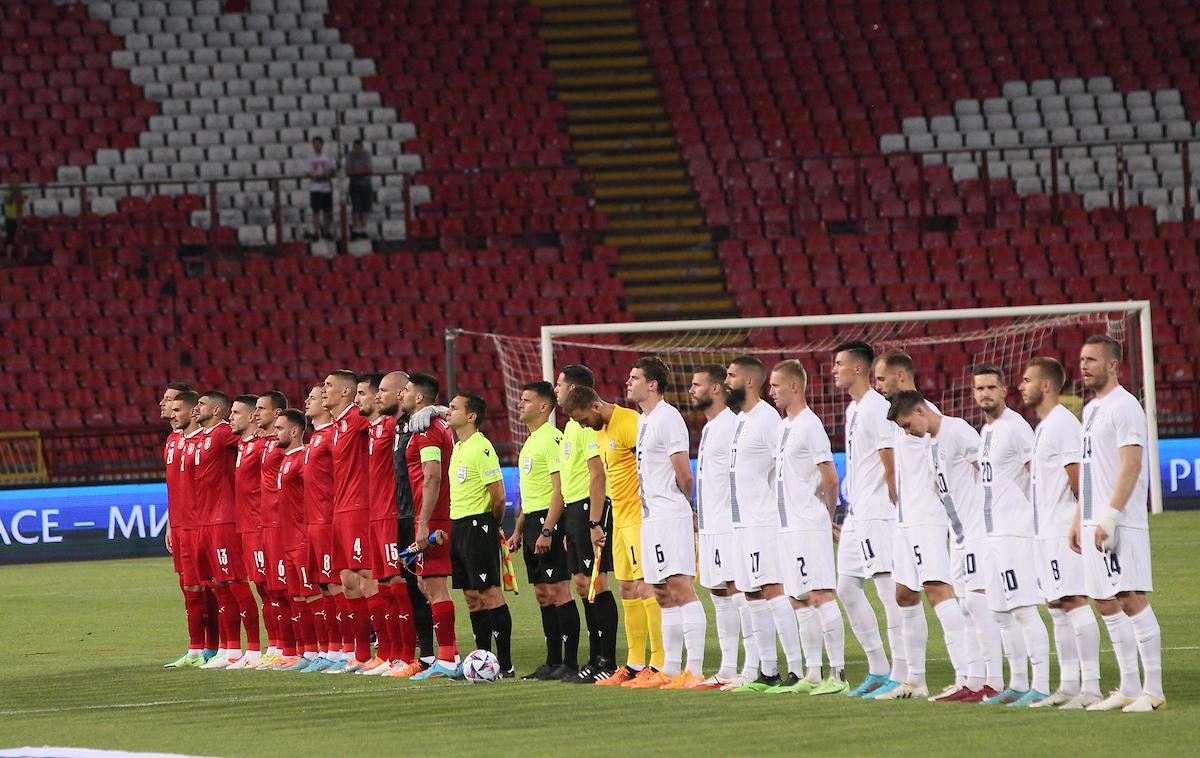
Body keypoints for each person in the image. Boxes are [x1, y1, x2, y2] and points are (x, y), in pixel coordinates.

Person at [873, 349, 976, 702]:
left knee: (938, 591)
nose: (879, 385)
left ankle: (967, 676)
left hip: (927, 519)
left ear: (901, 377)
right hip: (905, 520)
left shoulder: (926, 416)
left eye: (882, 378)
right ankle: (915, 680)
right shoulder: (899, 418)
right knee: (903, 594)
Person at [1071, 335, 1163, 712]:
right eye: (1082, 359)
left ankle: (1153, 690)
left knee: (1129, 597)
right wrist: (1080, 516)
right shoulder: (1091, 409)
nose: (1084, 366)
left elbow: (1132, 464)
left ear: (1113, 365)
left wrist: (1111, 515)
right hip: (1094, 519)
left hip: (1118, 520)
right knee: (1105, 601)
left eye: (1092, 359)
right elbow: (1090, 468)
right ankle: (1127, 687)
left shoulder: (1125, 406)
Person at [888, 390, 998, 703]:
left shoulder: (958, 430)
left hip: (976, 530)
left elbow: (987, 473)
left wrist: (994, 519)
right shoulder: (933, 444)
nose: (907, 432)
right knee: (967, 605)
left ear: (921, 411)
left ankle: (996, 681)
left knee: (981, 606)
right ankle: (973, 682)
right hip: (959, 535)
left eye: (908, 424)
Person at [562, 384, 664, 687]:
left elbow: (652, 467)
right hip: (618, 518)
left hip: (638, 518)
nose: (582, 426)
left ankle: (658, 663)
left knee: (646, 587)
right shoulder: (600, 431)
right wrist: (599, 522)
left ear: (594, 406)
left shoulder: (629, 422)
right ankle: (633, 664)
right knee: (628, 590)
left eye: (582, 420)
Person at [1019, 356, 1103, 709]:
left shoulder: (1063, 425)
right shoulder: (1044, 426)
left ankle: (1093, 687)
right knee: (1057, 606)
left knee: (1074, 601)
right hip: (1045, 531)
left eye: (1027, 380)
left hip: (1062, 528)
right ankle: (1069, 685)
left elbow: (1080, 479)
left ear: (1047, 385)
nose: (1021, 386)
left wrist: (1078, 522)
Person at [725, 355, 805, 693]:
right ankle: (767, 671)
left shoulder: (767, 419)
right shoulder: (742, 420)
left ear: (749, 381)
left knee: (773, 591)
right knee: (751, 594)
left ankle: (797, 671)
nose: (726, 381)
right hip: (742, 524)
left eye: (730, 376)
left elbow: (786, 467)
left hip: (763, 522)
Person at [972, 364, 1051, 707]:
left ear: (1005, 391)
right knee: (1000, 611)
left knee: (1022, 609)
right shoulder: (986, 431)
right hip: (992, 535)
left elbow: (1038, 478)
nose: (985, 394)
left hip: (1015, 533)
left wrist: (1040, 524)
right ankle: (1017, 684)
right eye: (979, 389)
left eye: (991, 387)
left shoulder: (1016, 427)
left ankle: (1042, 684)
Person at [769, 359, 848, 695]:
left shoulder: (809, 425)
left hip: (808, 524)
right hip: (788, 527)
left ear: (795, 387)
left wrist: (826, 516)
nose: (771, 391)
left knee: (819, 594)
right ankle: (813, 674)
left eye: (776, 385)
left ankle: (839, 675)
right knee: (798, 599)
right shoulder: (784, 427)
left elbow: (830, 477)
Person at [624, 358, 704, 689]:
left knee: (680, 587)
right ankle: (670, 669)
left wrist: (689, 507)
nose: (628, 383)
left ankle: (695, 670)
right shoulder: (645, 420)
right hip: (651, 517)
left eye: (635, 378)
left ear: (652, 384)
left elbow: (684, 472)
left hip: (671, 514)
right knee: (660, 591)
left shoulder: (668, 418)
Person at [831, 341, 904, 698]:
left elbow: (889, 459)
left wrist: (894, 509)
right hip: (858, 514)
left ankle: (902, 672)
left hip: (878, 514)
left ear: (858, 369)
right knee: (846, 587)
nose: (834, 369)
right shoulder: (853, 408)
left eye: (840, 364)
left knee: (889, 593)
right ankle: (878, 668)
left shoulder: (878, 408)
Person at [507, 381, 581, 681]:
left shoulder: (552, 439)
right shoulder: (531, 440)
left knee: (559, 590)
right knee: (542, 593)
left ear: (543, 406)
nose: (519, 405)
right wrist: (518, 530)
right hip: (533, 523)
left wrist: (548, 530)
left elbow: (558, 491)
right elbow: (532, 494)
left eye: (526, 400)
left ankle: (570, 662)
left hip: (549, 524)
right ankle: (552, 662)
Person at [552, 364, 618, 684]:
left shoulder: (585, 426)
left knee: (597, 584)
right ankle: (594, 658)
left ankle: (607, 659)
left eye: (560, 384)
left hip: (588, 509)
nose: (556, 389)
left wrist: (594, 521)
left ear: (575, 388)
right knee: (582, 585)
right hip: (574, 512)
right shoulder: (570, 425)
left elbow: (596, 474)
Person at [687, 365, 749, 689]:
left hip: (728, 525)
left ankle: (752, 666)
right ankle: (727, 668)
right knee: (718, 592)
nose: (691, 390)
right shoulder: (712, 427)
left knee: (738, 590)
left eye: (697, 385)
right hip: (711, 527)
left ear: (715, 390)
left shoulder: (730, 426)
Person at [444, 393, 515, 678]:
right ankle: (482, 661)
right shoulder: (458, 447)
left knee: (490, 593)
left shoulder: (482, 447)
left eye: (453, 408)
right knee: (472, 596)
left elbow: (498, 495)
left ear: (471, 416)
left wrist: (490, 523)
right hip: (459, 527)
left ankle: (506, 664)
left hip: (478, 526)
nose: (448, 411)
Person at [191, 390, 258, 670]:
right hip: (205, 521)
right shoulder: (204, 437)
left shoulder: (221, 433)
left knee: (235, 583)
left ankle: (253, 648)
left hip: (225, 519)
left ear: (217, 410)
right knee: (218, 586)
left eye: (202, 404)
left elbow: (253, 439)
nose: (197, 408)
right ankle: (229, 649)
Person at [402, 373, 462, 681]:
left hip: (434, 515)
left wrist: (424, 522)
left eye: (408, 390)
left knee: (435, 587)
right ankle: (448, 654)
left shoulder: (426, 433)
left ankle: (448, 659)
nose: (403, 393)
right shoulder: (430, 425)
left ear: (420, 398)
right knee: (427, 585)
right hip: (430, 512)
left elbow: (433, 476)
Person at [378, 371, 436, 675]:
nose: (380, 396)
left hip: (416, 516)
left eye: (388, 391)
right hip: (401, 516)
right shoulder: (400, 426)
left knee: (425, 584)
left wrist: (436, 409)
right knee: (412, 586)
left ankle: (431, 656)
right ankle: (420, 655)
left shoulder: (422, 425)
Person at [321, 370, 374, 673]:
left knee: (366, 580)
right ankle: (361, 654)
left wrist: (434, 411)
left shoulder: (357, 418)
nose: (323, 390)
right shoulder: (337, 425)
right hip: (340, 511)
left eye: (328, 385)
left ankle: (390, 653)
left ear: (345, 392)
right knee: (348, 584)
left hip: (359, 509)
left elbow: (388, 419)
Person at [162, 386, 209, 668]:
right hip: (179, 526)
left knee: (210, 586)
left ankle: (214, 648)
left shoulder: (209, 439)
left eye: (170, 401)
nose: (163, 404)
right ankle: (196, 648)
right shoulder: (172, 440)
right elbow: (173, 487)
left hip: (199, 525)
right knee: (188, 586)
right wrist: (170, 522)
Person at [273, 408, 323, 670]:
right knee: (297, 598)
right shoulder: (285, 460)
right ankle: (306, 652)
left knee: (312, 597)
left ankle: (326, 652)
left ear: (294, 431)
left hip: (303, 540)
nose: (275, 433)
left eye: (279, 428)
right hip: (288, 540)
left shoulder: (303, 459)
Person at [300, 385, 343, 672]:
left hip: (329, 520)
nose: (307, 401)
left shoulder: (332, 435)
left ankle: (348, 650)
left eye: (314, 398)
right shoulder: (315, 438)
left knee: (337, 585)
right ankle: (333, 649)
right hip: (313, 522)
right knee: (325, 586)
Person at [225, 394, 266, 670]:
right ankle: (271, 649)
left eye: (236, 413)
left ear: (252, 417)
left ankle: (276, 649)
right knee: (264, 587)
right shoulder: (242, 444)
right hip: (247, 526)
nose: (230, 417)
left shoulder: (265, 446)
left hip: (264, 526)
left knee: (273, 588)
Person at [254, 391, 294, 669]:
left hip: (282, 525)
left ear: (278, 413)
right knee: (269, 588)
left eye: (261, 409)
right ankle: (278, 646)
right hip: (263, 525)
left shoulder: (283, 448)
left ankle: (295, 649)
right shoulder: (264, 444)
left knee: (285, 589)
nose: (256, 414)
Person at [307, 136, 335, 240]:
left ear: (322, 144)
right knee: (316, 211)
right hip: (315, 187)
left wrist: (326, 175)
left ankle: (327, 231)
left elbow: (333, 170)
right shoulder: (310, 157)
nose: (316, 146)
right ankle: (316, 232)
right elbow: (306, 172)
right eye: (314, 144)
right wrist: (313, 176)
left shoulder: (328, 157)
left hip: (326, 187)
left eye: (318, 143)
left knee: (327, 211)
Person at [346, 139, 372, 239]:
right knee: (356, 207)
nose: (355, 150)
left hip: (366, 184)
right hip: (355, 184)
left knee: (366, 207)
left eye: (357, 148)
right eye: (354, 148)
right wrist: (361, 172)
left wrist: (355, 172)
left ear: (361, 147)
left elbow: (369, 169)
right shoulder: (350, 155)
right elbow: (348, 171)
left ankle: (364, 229)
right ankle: (356, 229)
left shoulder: (367, 155)